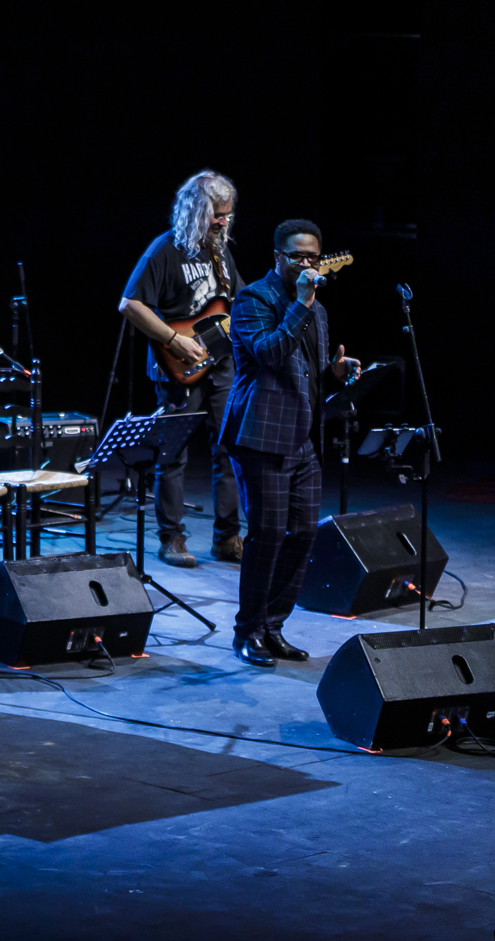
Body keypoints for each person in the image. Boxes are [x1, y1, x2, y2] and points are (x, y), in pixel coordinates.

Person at [218, 220, 361, 667]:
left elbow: (310, 375)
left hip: (303, 438)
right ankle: (248, 632)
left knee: (302, 535)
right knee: (266, 536)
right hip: (261, 435)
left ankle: (273, 627)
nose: (306, 264)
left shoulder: (318, 310)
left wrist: (335, 374)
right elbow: (269, 354)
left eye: (312, 258)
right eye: (297, 257)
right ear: (277, 257)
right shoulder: (253, 299)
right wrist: (301, 303)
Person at [117, 170, 244, 567]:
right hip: (178, 366)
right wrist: (174, 340)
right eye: (217, 214)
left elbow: (238, 303)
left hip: (221, 364)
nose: (224, 221)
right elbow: (130, 304)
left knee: (229, 450)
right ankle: (171, 538)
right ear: (196, 211)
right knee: (172, 455)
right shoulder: (165, 249)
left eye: (227, 214)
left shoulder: (220, 253)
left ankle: (227, 537)